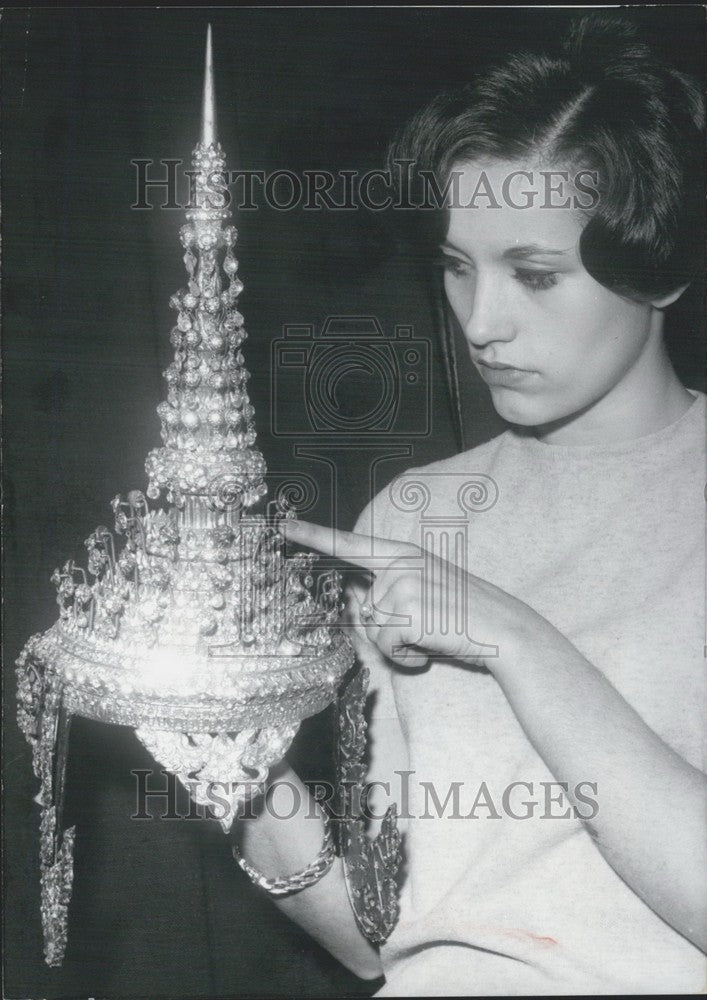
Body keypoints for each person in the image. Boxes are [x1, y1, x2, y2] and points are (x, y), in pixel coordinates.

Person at [232, 11, 706, 995]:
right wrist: (235, 764)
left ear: (658, 262)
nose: (481, 323)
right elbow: (382, 934)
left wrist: (514, 639)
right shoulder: (408, 519)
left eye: (533, 274)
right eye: (456, 266)